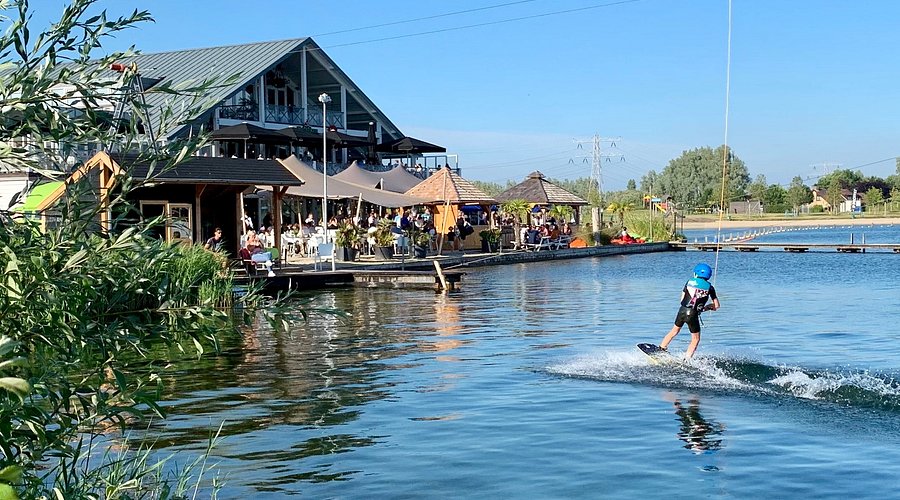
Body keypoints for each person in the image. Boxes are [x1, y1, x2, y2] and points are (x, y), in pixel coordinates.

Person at [659, 263, 720, 359]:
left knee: (674, 331)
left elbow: (682, 299)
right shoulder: (710, 288)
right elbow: (716, 306)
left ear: (696, 274)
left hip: (682, 311)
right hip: (693, 314)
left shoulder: (689, 282)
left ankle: (661, 348)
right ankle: (687, 359)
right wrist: (705, 308)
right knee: (695, 339)